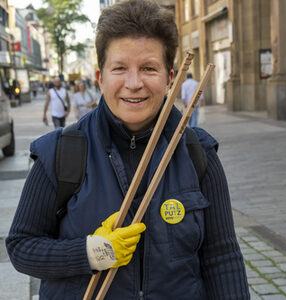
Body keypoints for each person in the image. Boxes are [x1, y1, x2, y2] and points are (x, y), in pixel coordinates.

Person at [6, 1, 250, 299]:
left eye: (149, 68)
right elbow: (21, 246)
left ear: (170, 78)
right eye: (120, 68)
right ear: (100, 77)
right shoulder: (59, 152)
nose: (134, 83)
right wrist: (93, 252)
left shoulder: (198, 152)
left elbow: (222, 256)